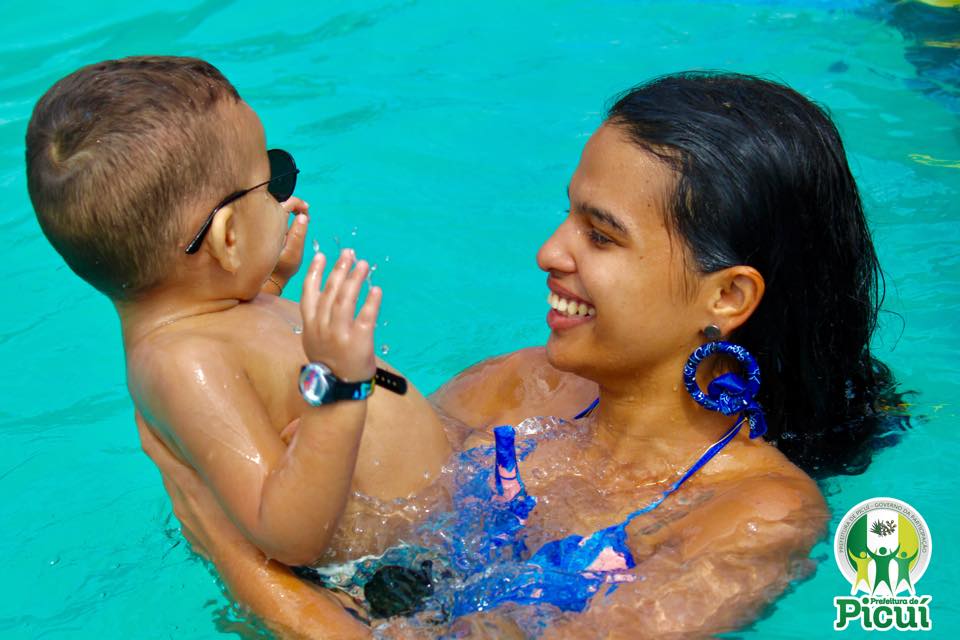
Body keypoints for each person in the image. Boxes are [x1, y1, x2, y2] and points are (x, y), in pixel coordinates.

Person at [135, 71, 904, 638]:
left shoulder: (752, 517)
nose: (549, 252)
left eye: (600, 236)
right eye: (568, 215)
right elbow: (356, 515)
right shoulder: (514, 387)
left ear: (728, 297)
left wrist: (239, 563)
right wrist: (256, 330)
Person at [25, 56, 452, 569]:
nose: (283, 197)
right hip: (403, 573)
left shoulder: (212, 312)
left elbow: (259, 374)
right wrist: (337, 388)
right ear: (228, 238)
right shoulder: (182, 365)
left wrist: (269, 283)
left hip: (441, 514)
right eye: (271, 182)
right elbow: (287, 534)